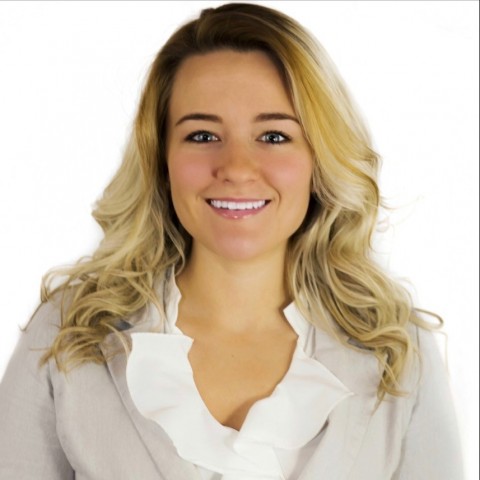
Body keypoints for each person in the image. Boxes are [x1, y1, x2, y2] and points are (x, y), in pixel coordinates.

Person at [0, 3, 464, 479]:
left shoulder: (397, 351)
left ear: (319, 158)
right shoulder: (68, 335)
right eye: (202, 135)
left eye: (274, 136)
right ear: (161, 158)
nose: (237, 168)